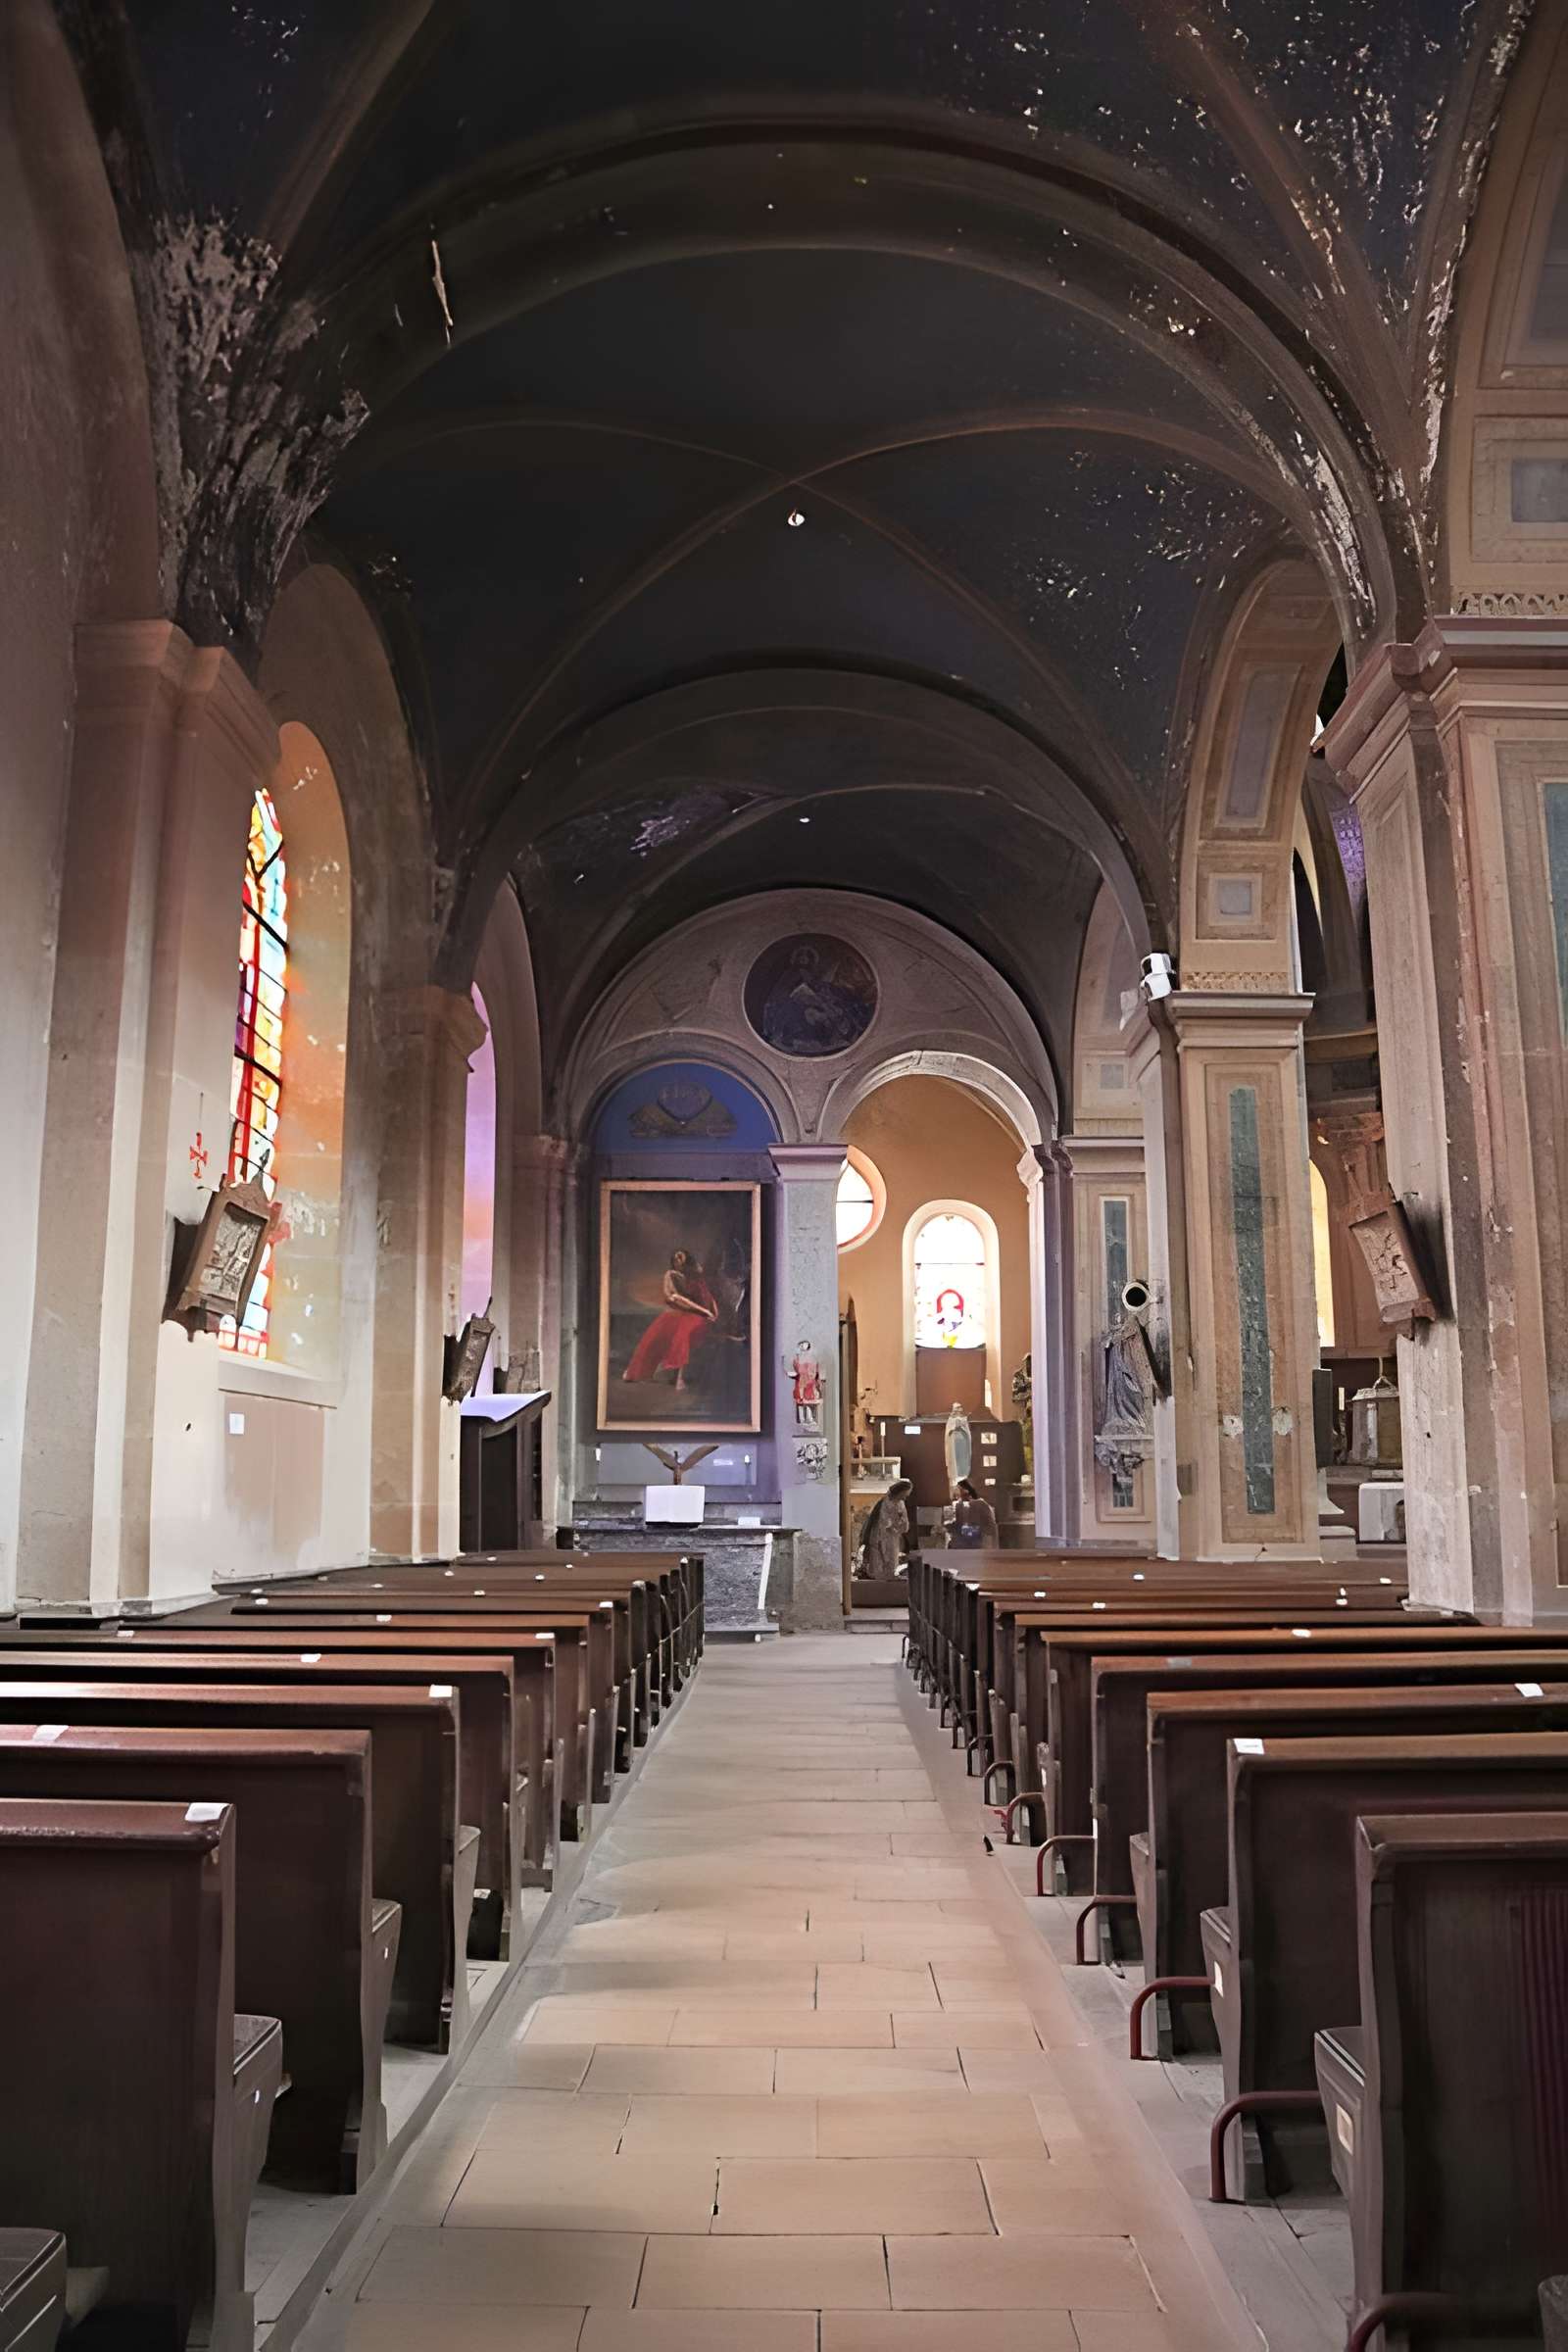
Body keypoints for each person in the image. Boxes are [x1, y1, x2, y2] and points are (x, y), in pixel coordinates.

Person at [622, 1248, 718, 1389]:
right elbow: (673, 1298)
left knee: (683, 1329)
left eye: (681, 1258)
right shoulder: (671, 1275)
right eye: (675, 1258)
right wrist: (705, 1311)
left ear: (687, 1260)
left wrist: (712, 1313)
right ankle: (665, 1373)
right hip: (686, 1312)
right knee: (667, 1329)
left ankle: (677, 1376)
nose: (677, 1260)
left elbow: (708, 1297)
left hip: (698, 1315)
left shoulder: (695, 1277)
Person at [860, 1478, 913, 1579]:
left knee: (891, 1564)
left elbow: (905, 1525)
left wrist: (899, 1525)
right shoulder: (885, 1503)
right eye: (905, 1494)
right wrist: (893, 1526)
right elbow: (883, 1523)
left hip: (892, 1538)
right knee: (879, 1565)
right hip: (880, 1538)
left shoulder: (900, 1504)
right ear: (900, 1492)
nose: (906, 1497)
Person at [948, 1477, 998, 1549]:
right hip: (963, 1546)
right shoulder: (959, 1506)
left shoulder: (981, 1504)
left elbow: (990, 1528)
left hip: (978, 1545)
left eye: (963, 1492)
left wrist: (968, 1531)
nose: (959, 1496)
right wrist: (950, 1527)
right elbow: (958, 1524)